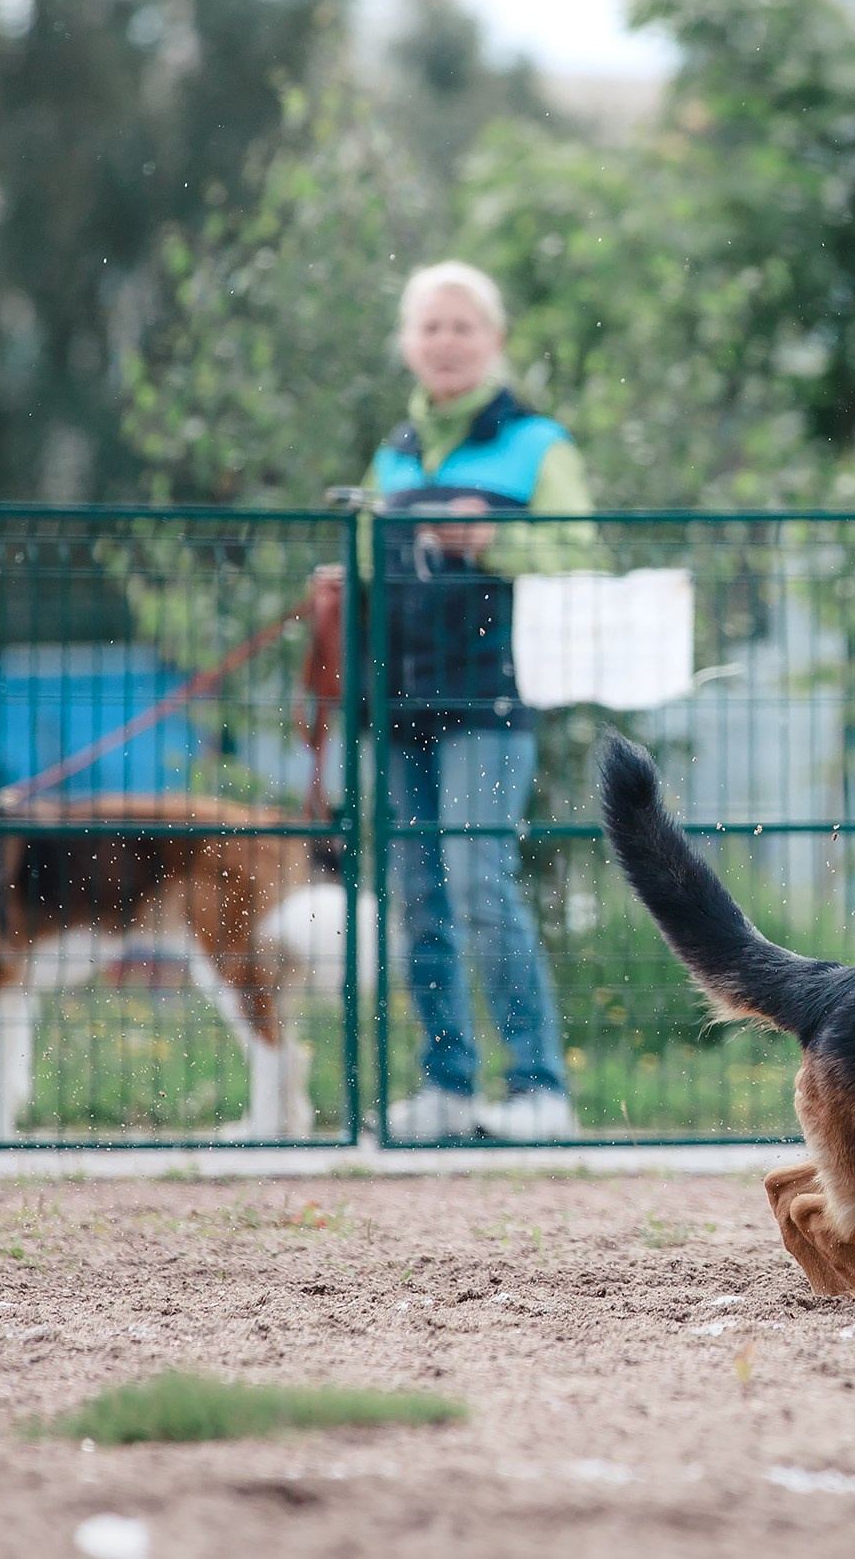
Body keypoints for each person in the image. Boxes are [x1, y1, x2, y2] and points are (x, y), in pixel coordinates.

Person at [366, 261, 596, 1140]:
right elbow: (362, 562)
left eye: (463, 326)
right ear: (407, 345)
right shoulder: (392, 452)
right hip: (400, 698)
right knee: (419, 894)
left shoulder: (537, 444)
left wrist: (496, 540)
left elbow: (579, 554)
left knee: (477, 884)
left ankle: (539, 1088)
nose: (446, 342)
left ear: (495, 342)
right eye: (430, 327)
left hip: (494, 697)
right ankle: (447, 1086)